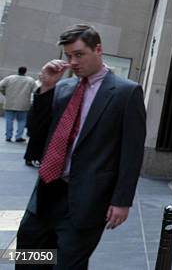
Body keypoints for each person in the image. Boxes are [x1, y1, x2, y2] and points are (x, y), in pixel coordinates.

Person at [16, 24, 146, 269]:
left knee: (67, 264)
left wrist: (122, 200)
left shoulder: (126, 93)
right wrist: (45, 88)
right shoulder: (63, 88)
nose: (73, 62)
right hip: (45, 194)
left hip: (87, 199)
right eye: (68, 56)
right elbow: (37, 133)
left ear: (98, 49)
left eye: (79, 54)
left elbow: (132, 152)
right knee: (28, 257)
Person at [0, 66, 37, 142]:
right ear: (25, 71)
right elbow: (36, 90)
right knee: (22, 120)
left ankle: (8, 136)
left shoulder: (9, 78)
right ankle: (18, 137)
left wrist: (5, 93)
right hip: (23, 103)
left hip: (10, 102)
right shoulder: (30, 80)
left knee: (9, 120)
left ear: (18, 71)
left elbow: (1, 86)